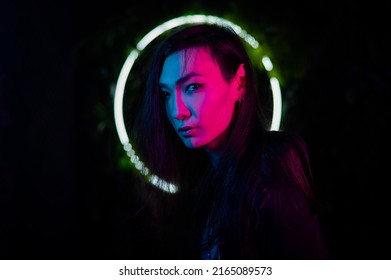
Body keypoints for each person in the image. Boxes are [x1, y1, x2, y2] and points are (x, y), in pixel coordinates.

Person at [130, 22, 328, 259]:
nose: (177, 111)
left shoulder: (269, 175)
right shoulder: (211, 182)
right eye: (166, 94)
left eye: (193, 87)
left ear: (240, 84)